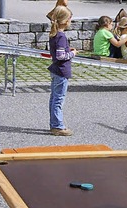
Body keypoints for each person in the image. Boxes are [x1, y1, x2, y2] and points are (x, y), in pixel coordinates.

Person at [48, 6, 76, 136]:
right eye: (70, 19)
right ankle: (57, 126)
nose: (70, 21)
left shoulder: (54, 34)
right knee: (58, 99)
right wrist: (72, 54)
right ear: (65, 21)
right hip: (61, 71)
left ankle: (54, 123)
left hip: (55, 70)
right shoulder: (61, 36)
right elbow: (60, 56)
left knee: (54, 98)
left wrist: (68, 51)